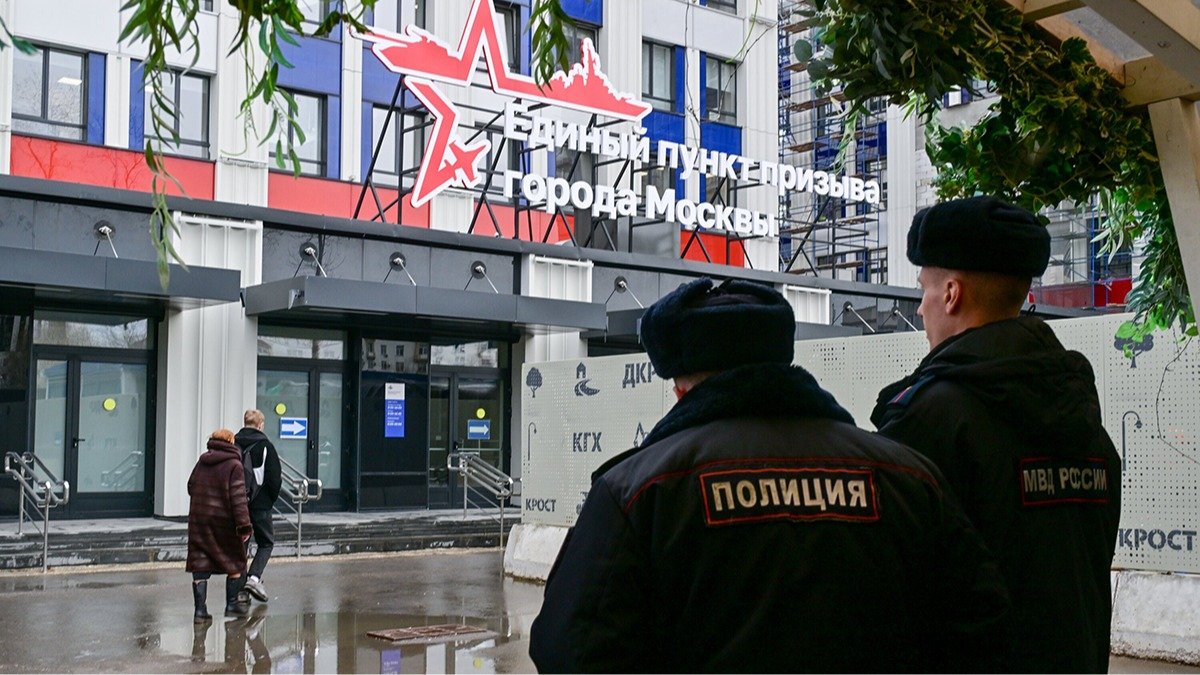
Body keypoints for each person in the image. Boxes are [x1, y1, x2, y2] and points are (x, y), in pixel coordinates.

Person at [529, 277, 1010, 673]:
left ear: (680, 391)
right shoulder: (905, 476)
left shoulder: (638, 492)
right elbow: (981, 631)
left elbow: (572, 652)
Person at [871, 195, 1122, 673]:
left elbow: (892, 591)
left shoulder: (928, 420)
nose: (920, 309)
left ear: (951, 293)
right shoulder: (1084, 420)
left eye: (923, 289)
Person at [187, 428, 253, 621]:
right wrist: (244, 526)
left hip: (200, 521)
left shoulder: (202, 462)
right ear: (231, 442)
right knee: (234, 562)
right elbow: (238, 499)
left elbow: (191, 486)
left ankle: (200, 611)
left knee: (200, 564)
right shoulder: (234, 465)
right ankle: (231, 605)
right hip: (224, 523)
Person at [235, 409, 282, 603]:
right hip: (261, 505)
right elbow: (274, 479)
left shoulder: (234, 444)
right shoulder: (266, 446)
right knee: (266, 543)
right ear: (260, 425)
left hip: (238, 505)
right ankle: (254, 578)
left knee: (241, 547)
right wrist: (268, 501)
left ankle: (240, 593)